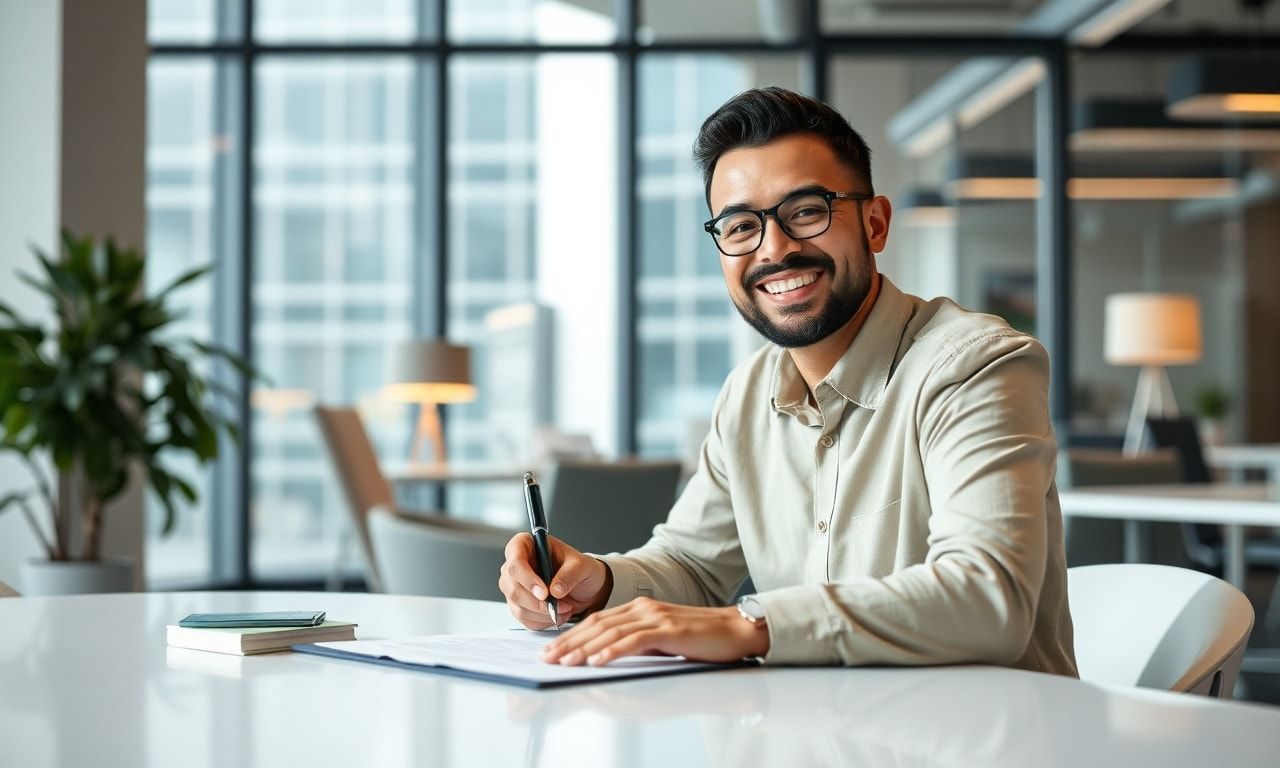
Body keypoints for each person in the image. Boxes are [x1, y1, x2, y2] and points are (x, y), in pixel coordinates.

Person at [498, 86, 1077, 676]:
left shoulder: (975, 366)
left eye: (806, 211)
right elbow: (693, 567)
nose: (775, 248)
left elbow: (988, 599)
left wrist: (751, 625)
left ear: (874, 224)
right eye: (741, 225)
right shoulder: (748, 395)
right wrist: (595, 583)